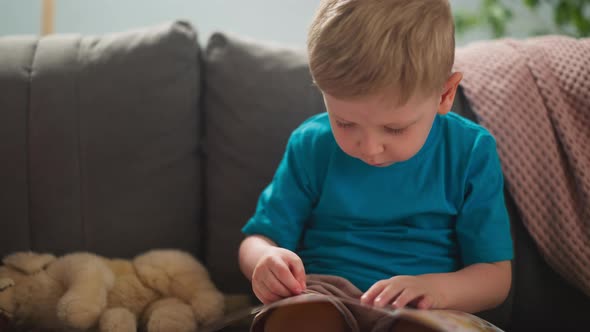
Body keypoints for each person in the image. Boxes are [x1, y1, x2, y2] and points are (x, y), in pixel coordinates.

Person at [238, 0, 513, 331]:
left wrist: (435, 290)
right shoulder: (311, 143)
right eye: (344, 122)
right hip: (325, 294)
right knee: (301, 316)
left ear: (444, 95)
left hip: (426, 306)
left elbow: (495, 277)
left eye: (394, 129)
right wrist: (263, 262)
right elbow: (258, 238)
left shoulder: (470, 151)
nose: (369, 148)